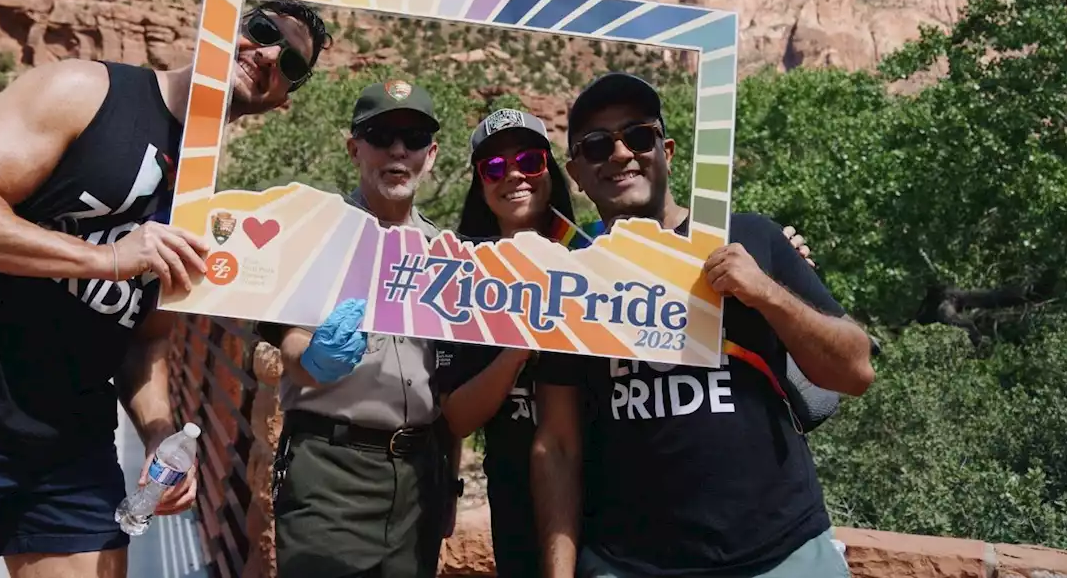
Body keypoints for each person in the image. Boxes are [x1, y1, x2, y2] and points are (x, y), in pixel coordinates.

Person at [0, 0, 331, 578]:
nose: (266, 56)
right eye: (260, 32)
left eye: (290, 63)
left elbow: (146, 337)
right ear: (220, 27)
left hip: (69, 443)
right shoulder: (86, 90)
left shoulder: (205, 195)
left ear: (284, 99)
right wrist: (106, 258)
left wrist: (158, 431)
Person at [530, 72, 877, 578]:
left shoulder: (751, 237)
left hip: (783, 555)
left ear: (666, 150)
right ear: (577, 172)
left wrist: (766, 293)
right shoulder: (569, 279)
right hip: (631, 563)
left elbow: (855, 371)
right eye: (599, 145)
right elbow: (557, 444)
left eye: (639, 135)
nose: (622, 153)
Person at [257, 79, 457, 578]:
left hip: (419, 478)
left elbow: (448, 382)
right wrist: (310, 361)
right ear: (354, 149)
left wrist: (447, 484)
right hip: (330, 474)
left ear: (430, 155)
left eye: (413, 138)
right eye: (381, 134)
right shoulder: (314, 235)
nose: (397, 150)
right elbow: (283, 343)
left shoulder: (447, 255)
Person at [435, 107, 580, 578]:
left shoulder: (595, 258)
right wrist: (517, 349)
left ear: (550, 173)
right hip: (516, 497)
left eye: (530, 161)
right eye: (494, 168)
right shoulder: (462, 280)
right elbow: (457, 415)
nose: (513, 174)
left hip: (606, 492)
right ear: (481, 185)